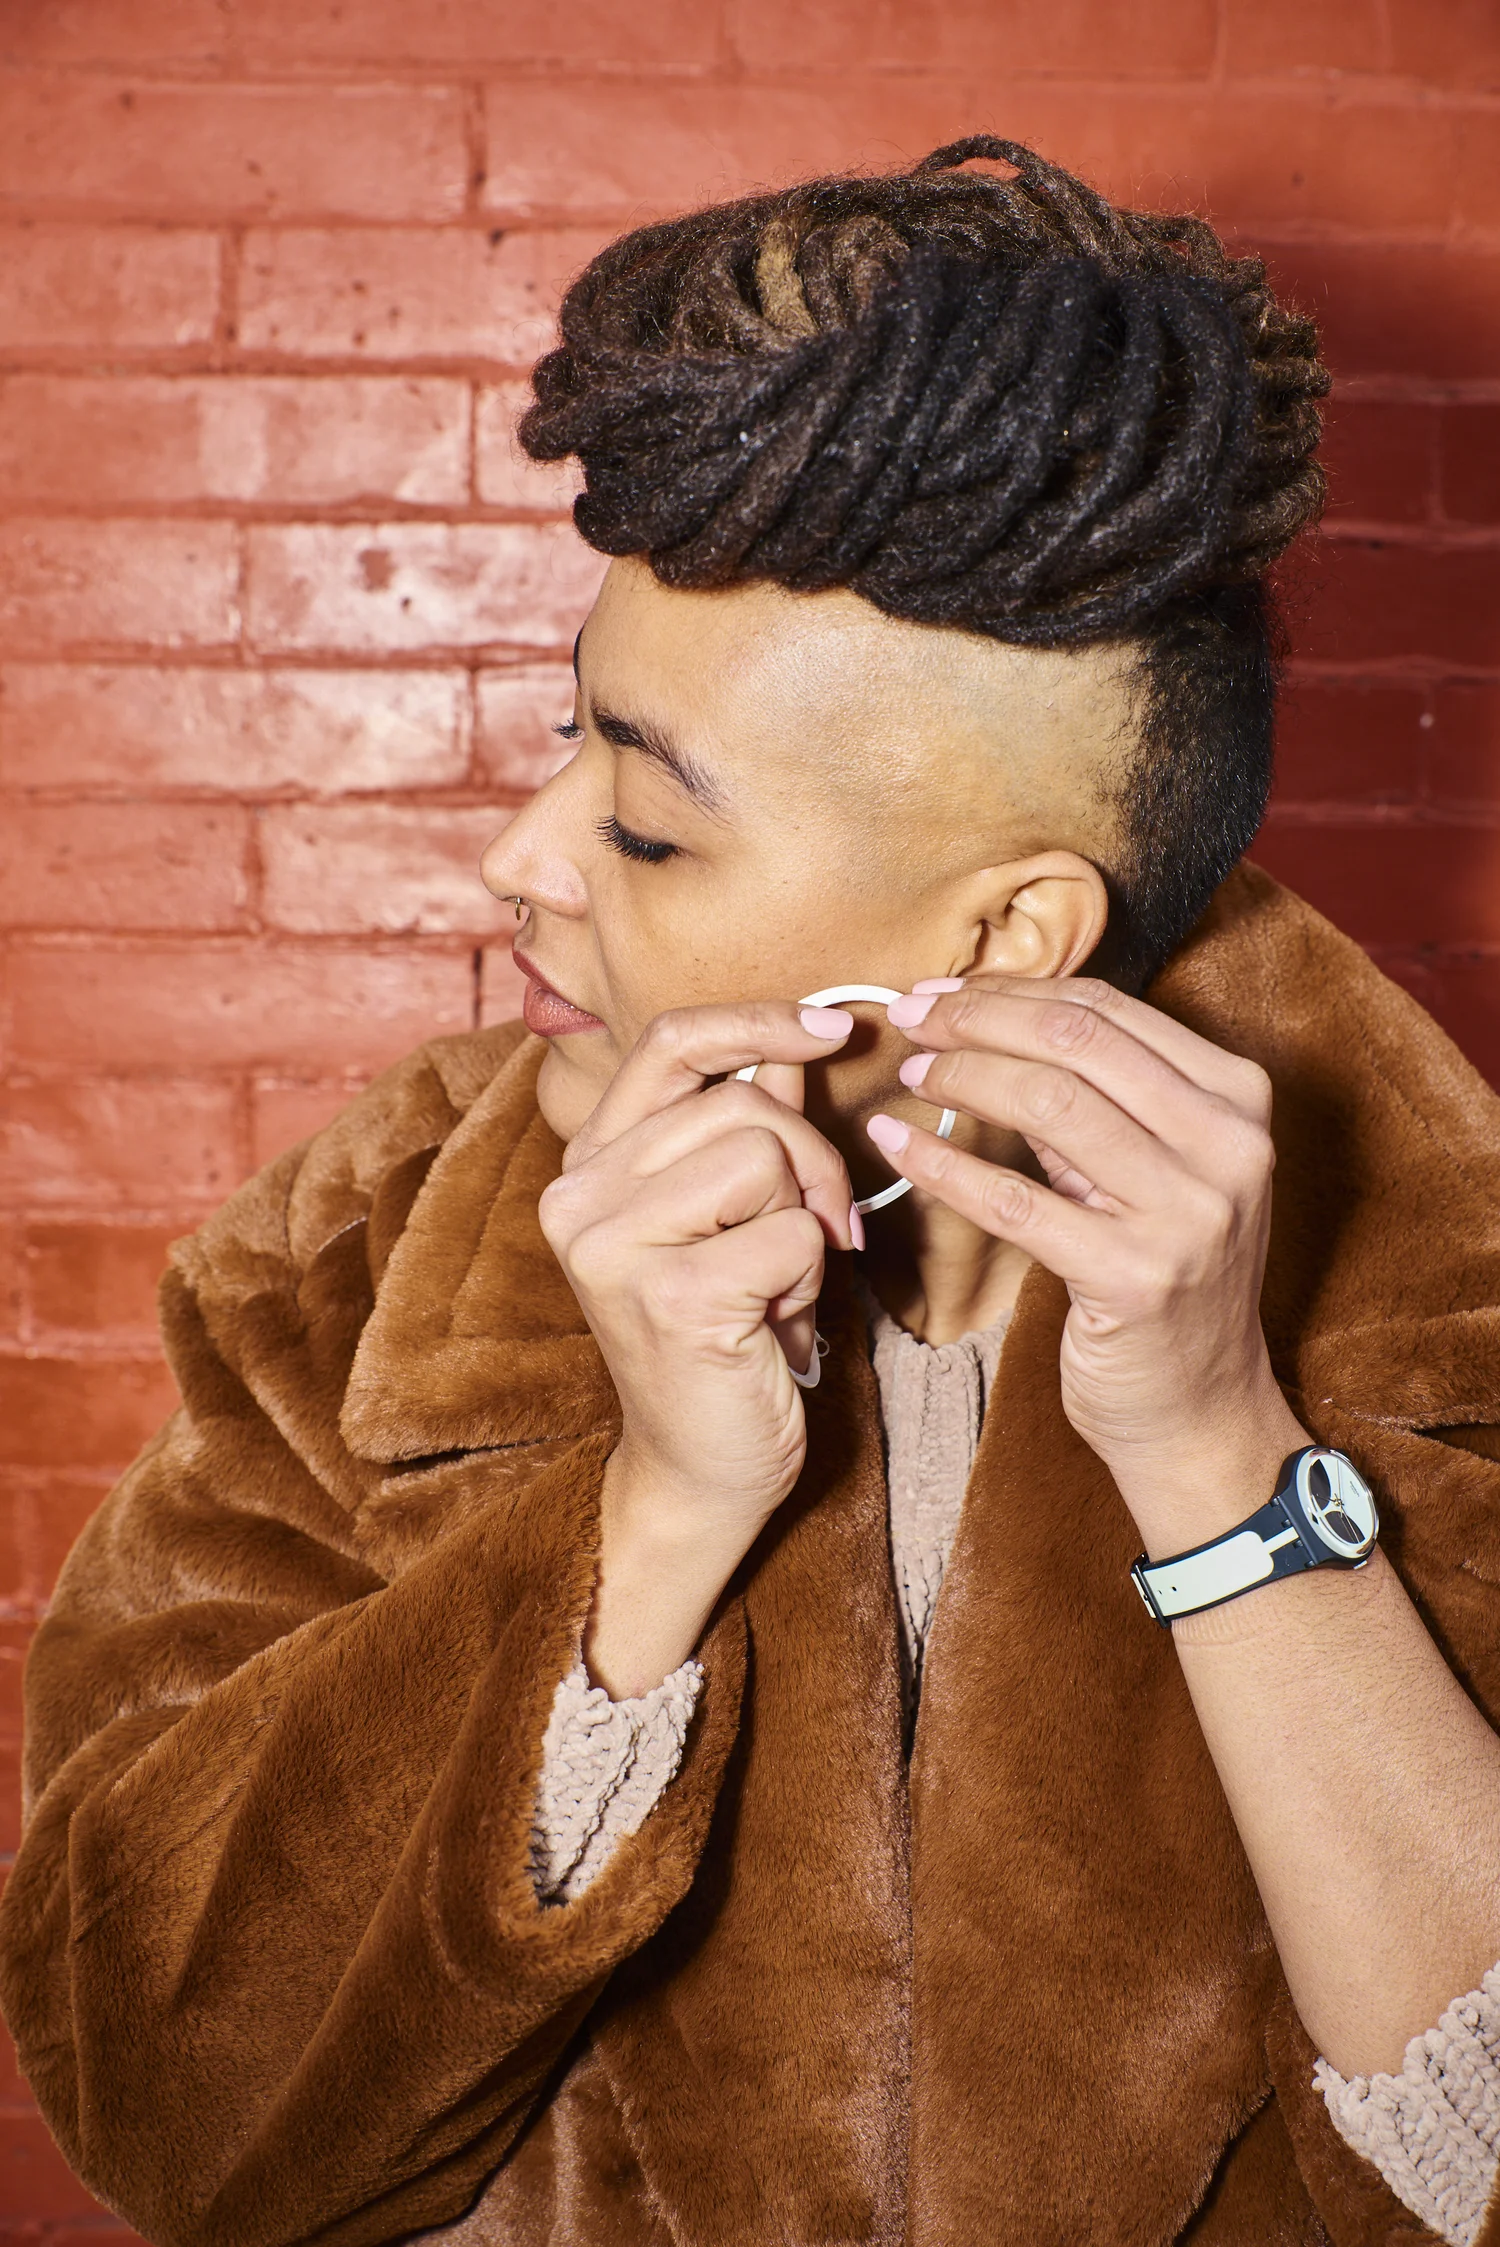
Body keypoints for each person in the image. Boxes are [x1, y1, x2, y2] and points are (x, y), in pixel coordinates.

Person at [3, 135, 1500, 2247]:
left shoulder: (1448, 1276)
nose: (520, 859)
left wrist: (1219, 1458)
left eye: (649, 824)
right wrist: (648, 1521)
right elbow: (164, 2107)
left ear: (1002, 936)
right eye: (569, 740)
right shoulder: (362, 1253)